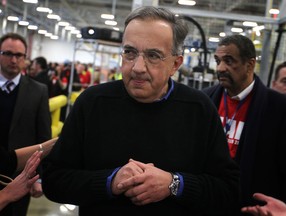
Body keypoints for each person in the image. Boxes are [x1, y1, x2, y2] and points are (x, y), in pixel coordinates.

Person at [42, 6, 240, 216]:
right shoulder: (92, 103)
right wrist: (110, 182)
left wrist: (175, 184)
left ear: (175, 64)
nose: (137, 67)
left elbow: (228, 191)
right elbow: (54, 180)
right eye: (130, 52)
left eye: (153, 55)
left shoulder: (199, 110)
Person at [202, 34, 286, 215]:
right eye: (218, 61)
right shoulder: (204, 100)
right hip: (210, 201)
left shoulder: (278, 108)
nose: (220, 68)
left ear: (249, 65)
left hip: (252, 205)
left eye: (229, 61)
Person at [0, 32, 52, 216]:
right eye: (8, 54)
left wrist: (39, 179)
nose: (13, 60)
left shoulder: (38, 91)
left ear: (25, 58)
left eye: (19, 55)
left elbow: (43, 138)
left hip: (21, 177)